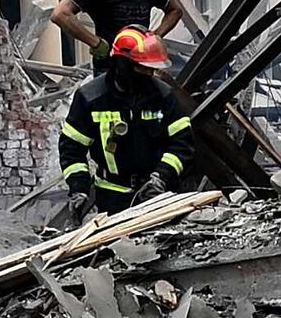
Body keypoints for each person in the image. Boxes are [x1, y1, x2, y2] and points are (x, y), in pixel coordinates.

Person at [56, 26, 186, 213]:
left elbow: (182, 143)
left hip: (159, 196)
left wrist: (161, 177)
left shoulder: (163, 96)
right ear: (122, 64)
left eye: (152, 69)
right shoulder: (91, 98)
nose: (149, 75)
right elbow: (71, 149)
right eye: (143, 68)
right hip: (112, 200)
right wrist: (79, 189)